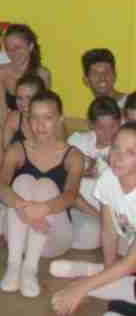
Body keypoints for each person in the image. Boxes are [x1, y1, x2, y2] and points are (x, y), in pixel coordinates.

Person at [0, 90, 83, 298]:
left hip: (52, 237)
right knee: (23, 181)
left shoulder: (73, 155)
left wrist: (43, 208)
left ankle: (29, 269)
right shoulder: (17, 149)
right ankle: (14, 265)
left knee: (45, 185)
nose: (40, 125)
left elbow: (71, 195)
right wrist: (23, 208)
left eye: (48, 118)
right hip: (19, 234)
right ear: (28, 119)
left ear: (60, 120)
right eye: (34, 117)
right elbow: (0, 186)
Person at [50, 122, 136, 316]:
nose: (118, 157)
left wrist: (82, 288)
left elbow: (131, 262)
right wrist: (107, 271)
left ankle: (95, 277)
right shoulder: (109, 178)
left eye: (130, 152)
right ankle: (102, 274)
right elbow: (108, 231)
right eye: (116, 147)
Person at [67, 96, 122, 251]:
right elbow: (64, 183)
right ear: (91, 125)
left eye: (113, 126)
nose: (108, 133)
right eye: (101, 128)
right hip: (78, 208)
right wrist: (80, 170)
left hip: (111, 213)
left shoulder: (125, 148)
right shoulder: (77, 141)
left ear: (120, 122)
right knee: (88, 236)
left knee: (94, 238)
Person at [0, 23, 51, 127]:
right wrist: (2, 133)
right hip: (12, 125)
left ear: (30, 46)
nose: (13, 53)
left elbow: (46, 110)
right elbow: (1, 110)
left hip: (36, 126)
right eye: (8, 49)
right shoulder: (0, 72)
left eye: (18, 47)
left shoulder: (42, 74)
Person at [1, 74, 45, 148]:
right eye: (19, 98)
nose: (23, 103)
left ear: (40, 98)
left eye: (29, 98)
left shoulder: (50, 120)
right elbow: (4, 149)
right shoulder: (14, 118)